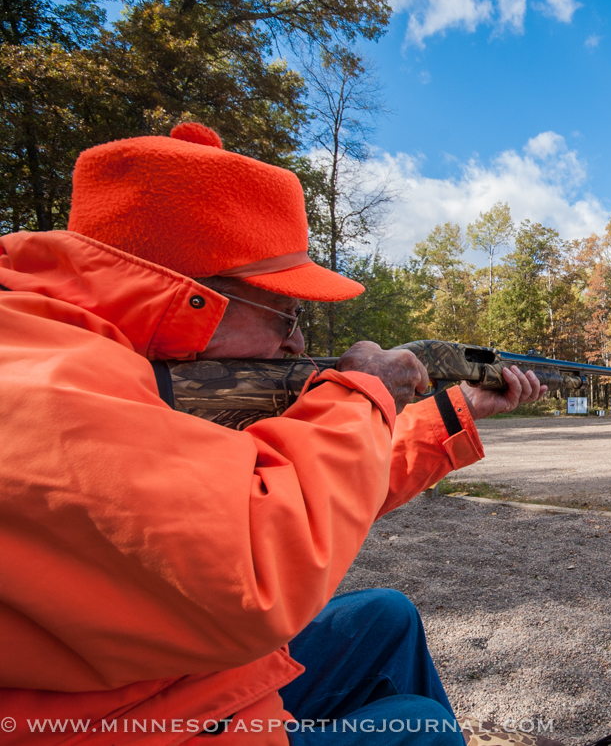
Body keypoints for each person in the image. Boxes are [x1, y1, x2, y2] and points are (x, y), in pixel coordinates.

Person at [0, 123, 546, 745]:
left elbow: (294, 492)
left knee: (385, 618)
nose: (298, 341)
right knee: (418, 732)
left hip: (164, 688)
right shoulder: (41, 383)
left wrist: (453, 412)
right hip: (115, 726)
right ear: (191, 293)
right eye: (285, 314)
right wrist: (362, 394)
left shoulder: (93, 356)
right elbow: (257, 576)